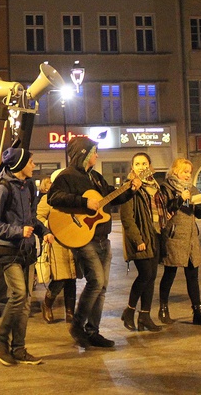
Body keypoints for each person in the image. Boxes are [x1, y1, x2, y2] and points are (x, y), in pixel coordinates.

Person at [47, 137, 141, 349]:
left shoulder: (96, 178)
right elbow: (53, 197)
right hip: (83, 238)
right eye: (94, 152)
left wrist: (131, 190)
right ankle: (77, 325)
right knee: (96, 282)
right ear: (84, 154)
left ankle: (93, 331)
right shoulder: (67, 176)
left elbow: (111, 198)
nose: (97, 156)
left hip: (101, 237)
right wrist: (83, 202)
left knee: (103, 286)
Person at [0, 147, 52, 366]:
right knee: (19, 294)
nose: (34, 165)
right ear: (20, 165)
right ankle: (0, 340)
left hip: (26, 251)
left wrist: (44, 232)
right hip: (7, 252)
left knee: (25, 303)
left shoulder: (28, 187)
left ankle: (19, 349)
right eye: (31, 161)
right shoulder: (2, 189)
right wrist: (17, 231)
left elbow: (31, 218)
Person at [158, 158, 201, 325]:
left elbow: (197, 215)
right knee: (170, 273)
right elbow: (166, 211)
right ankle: (163, 309)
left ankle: (198, 311)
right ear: (175, 171)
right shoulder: (166, 188)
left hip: (191, 238)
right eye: (184, 172)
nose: (187, 175)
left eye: (189, 172)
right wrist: (180, 199)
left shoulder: (192, 189)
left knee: (193, 274)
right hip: (174, 237)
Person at [120, 152, 165, 332]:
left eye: (144, 163)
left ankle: (145, 316)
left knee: (151, 277)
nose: (141, 167)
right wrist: (137, 239)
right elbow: (127, 218)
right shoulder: (129, 188)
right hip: (140, 238)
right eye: (137, 164)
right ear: (132, 168)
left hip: (155, 235)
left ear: (150, 166)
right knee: (145, 275)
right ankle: (129, 311)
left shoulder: (154, 187)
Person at [37, 169, 78, 324]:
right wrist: (48, 228)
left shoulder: (73, 198)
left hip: (74, 241)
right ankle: (47, 304)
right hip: (56, 243)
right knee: (60, 278)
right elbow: (39, 218)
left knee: (72, 278)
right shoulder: (47, 199)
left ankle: (70, 312)